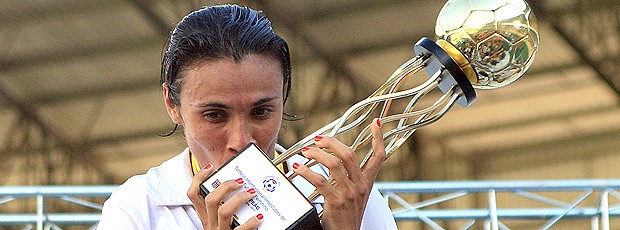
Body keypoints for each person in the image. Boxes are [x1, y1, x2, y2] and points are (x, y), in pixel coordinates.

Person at [98, 4, 396, 230]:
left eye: (262, 111)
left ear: (283, 98)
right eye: (215, 115)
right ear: (172, 104)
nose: (242, 142)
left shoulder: (344, 196)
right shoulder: (139, 208)